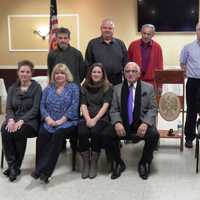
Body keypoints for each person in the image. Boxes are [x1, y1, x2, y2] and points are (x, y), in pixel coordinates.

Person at [110, 62, 159, 180]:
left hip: (141, 123)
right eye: (127, 71)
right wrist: (117, 122)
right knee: (107, 134)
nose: (130, 73)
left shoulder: (148, 87)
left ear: (138, 74)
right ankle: (118, 162)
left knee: (154, 135)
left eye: (134, 71)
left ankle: (144, 162)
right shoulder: (117, 89)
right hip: (123, 123)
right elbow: (113, 109)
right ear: (124, 74)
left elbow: (153, 108)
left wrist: (146, 123)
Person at [31, 63, 80, 183]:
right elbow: (42, 105)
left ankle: (44, 171)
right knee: (42, 134)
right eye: (57, 73)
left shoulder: (73, 88)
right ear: (53, 75)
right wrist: (47, 119)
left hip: (68, 121)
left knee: (58, 134)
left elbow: (74, 106)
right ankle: (40, 168)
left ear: (66, 75)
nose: (59, 75)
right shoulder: (48, 88)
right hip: (50, 121)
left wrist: (61, 120)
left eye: (62, 73)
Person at [78, 63, 125, 179]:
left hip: (102, 118)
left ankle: (93, 163)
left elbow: (106, 105)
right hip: (86, 117)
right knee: (82, 132)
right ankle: (86, 163)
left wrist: (94, 120)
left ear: (103, 74)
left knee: (95, 132)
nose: (96, 74)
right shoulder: (84, 87)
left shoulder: (108, 87)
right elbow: (83, 105)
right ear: (90, 73)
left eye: (99, 72)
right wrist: (88, 119)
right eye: (94, 72)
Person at [1, 60, 42, 182]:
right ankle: (12, 166)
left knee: (19, 131)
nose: (24, 74)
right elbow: (8, 108)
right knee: (5, 129)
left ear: (31, 74)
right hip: (14, 119)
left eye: (27, 72)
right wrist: (10, 120)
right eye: (22, 71)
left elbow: (35, 109)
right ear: (18, 73)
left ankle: (15, 167)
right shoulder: (13, 88)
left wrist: (22, 121)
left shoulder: (36, 88)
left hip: (31, 121)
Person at [85, 19, 128, 85]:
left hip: (117, 79)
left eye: (110, 28)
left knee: (116, 95)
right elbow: (88, 64)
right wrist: (89, 80)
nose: (107, 30)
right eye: (105, 28)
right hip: (98, 79)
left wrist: (126, 79)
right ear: (101, 29)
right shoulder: (92, 43)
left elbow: (125, 62)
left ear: (113, 30)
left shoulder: (120, 43)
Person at [180, 23, 200, 148]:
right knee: (191, 110)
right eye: (199, 29)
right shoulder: (188, 47)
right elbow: (182, 63)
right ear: (196, 31)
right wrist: (188, 73)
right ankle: (189, 137)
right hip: (192, 82)